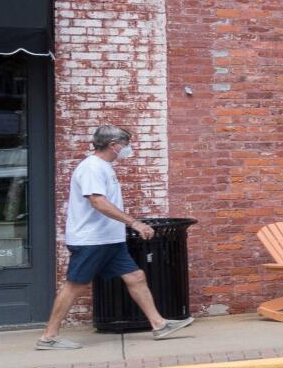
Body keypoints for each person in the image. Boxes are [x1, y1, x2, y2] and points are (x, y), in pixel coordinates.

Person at [38, 123, 192, 348]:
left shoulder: (104, 167)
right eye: (125, 144)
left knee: (136, 277)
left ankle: (159, 325)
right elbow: (98, 202)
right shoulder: (92, 168)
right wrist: (134, 223)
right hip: (92, 240)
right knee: (75, 285)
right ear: (113, 145)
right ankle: (49, 336)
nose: (127, 149)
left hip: (110, 239)